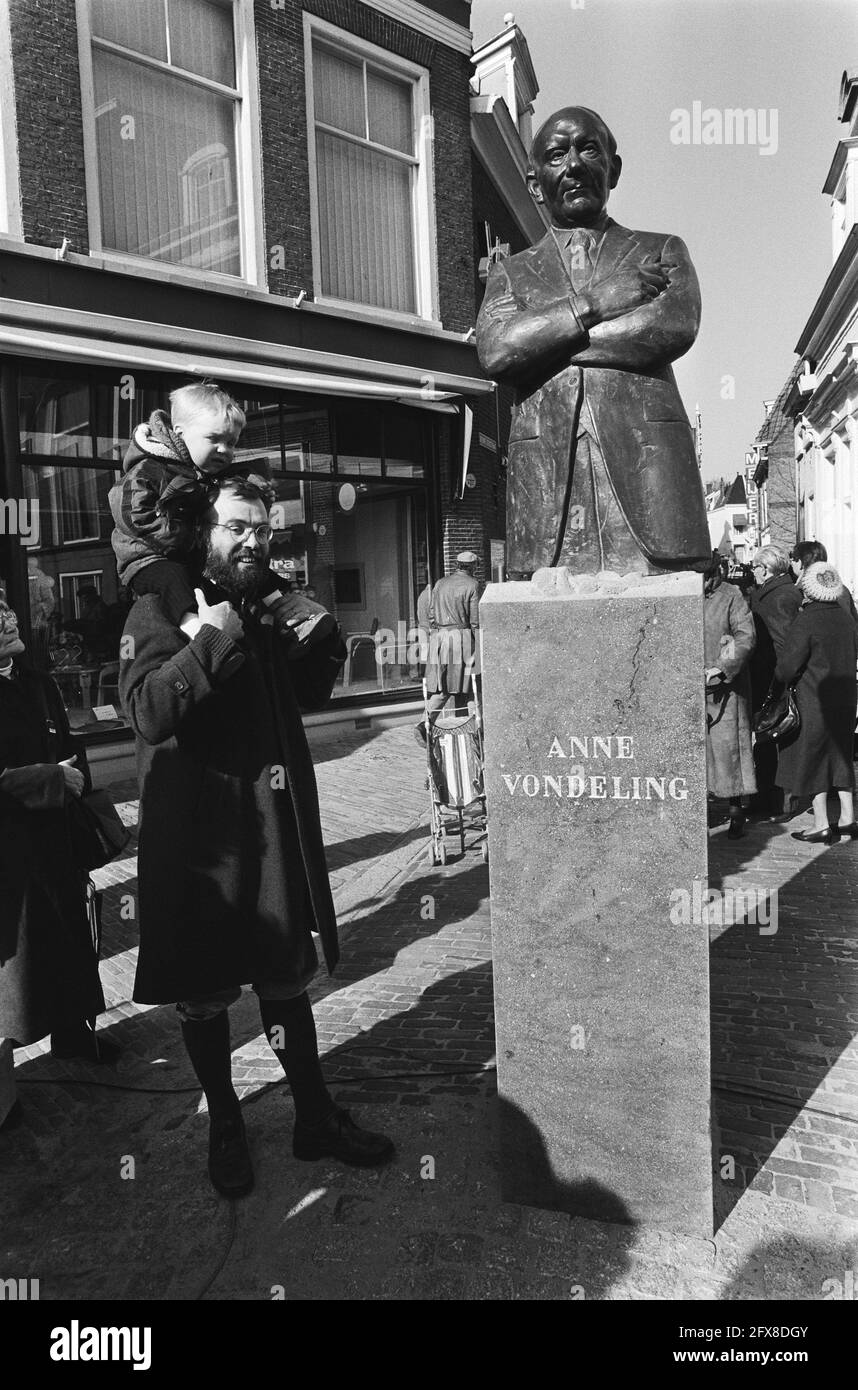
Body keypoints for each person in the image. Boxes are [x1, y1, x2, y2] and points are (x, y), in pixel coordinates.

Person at [119, 475, 394, 1198]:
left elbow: (305, 697)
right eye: (239, 526)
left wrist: (322, 641)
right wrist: (210, 640)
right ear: (204, 530)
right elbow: (147, 710)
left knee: (284, 977)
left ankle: (314, 1118)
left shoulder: (261, 599)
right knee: (205, 996)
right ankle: (225, 1126)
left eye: (263, 529)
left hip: (267, 828)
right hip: (201, 841)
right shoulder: (160, 602)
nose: (254, 539)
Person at [475, 105, 711, 577]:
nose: (575, 165)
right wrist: (597, 303)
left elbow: (668, 328)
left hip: (648, 476)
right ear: (534, 182)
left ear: (614, 168)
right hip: (547, 489)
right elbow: (497, 352)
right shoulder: (510, 272)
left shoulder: (660, 250)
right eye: (557, 154)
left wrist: (543, 343)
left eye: (589, 149)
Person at [0, 598, 119, 1130]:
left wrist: (73, 775)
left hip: (54, 843)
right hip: (8, 858)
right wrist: (51, 780)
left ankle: (74, 1031)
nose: (8, 619)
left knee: (71, 939)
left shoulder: (37, 680)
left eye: (5, 607)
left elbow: (68, 745)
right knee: (15, 975)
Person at [109, 380, 331, 654]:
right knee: (173, 581)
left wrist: (258, 490)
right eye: (214, 439)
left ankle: (291, 616)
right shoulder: (150, 469)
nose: (224, 450)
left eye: (231, 442)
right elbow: (135, 515)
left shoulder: (202, 469)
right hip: (147, 556)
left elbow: (231, 487)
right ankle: (196, 631)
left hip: (187, 548)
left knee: (255, 570)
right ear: (180, 432)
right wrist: (189, 537)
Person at [776, 563, 858, 844]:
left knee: (813, 757)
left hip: (814, 698)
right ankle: (848, 819)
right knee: (841, 755)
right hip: (846, 698)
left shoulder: (807, 620)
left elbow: (786, 668)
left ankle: (821, 824)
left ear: (809, 589)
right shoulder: (846, 618)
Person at [703, 559, 757, 838]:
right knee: (697, 752)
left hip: (725, 689)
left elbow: (745, 636)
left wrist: (721, 667)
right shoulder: (684, 594)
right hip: (692, 688)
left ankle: (736, 810)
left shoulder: (731, 595)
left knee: (729, 750)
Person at [748, 544, 802, 815]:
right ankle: (771, 798)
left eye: (755, 567)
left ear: (766, 569)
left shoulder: (778, 597)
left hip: (771, 681)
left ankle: (773, 801)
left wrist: (780, 682)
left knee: (771, 738)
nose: (753, 572)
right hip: (770, 678)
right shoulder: (781, 592)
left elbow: (783, 644)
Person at [416, 552, 481, 744]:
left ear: (457, 565)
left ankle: (424, 724)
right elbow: (475, 621)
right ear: (473, 566)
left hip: (439, 639)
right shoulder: (473, 585)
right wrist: (479, 644)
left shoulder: (440, 583)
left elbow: (431, 614)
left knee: (444, 687)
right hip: (461, 639)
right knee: (468, 685)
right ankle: (476, 730)